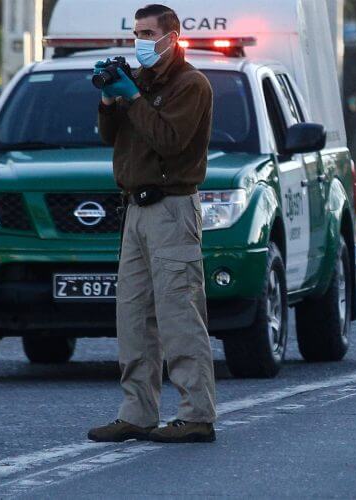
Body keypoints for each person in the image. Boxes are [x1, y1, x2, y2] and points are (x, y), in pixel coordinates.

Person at [86, 4, 217, 444]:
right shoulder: (137, 80)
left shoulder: (191, 84)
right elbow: (111, 137)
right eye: (135, 32)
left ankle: (196, 414)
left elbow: (168, 140)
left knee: (180, 313)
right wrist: (109, 98)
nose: (139, 40)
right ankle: (137, 412)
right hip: (135, 211)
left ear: (172, 36)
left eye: (147, 32)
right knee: (134, 316)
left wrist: (135, 99)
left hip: (171, 208)